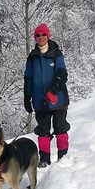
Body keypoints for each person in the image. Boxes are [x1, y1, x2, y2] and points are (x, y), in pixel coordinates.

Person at [23, 23, 70, 167]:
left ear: (48, 36)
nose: (41, 37)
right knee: (43, 131)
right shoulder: (32, 56)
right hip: (40, 102)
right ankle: (44, 160)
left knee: (60, 128)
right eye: (38, 35)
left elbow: (62, 73)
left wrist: (54, 89)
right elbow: (28, 78)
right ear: (35, 38)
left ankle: (63, 158)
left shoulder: (56, 53)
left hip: (58, 100)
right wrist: (27, 97)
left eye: (44, 34)